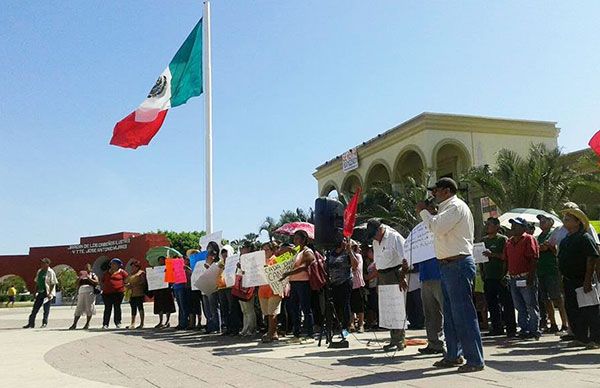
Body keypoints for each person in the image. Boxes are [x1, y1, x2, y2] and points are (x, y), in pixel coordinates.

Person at [418, 177, 484, 373]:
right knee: (451, 315)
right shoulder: (446, 209)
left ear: (447, 191)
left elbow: (437, 228)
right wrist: (430, 214)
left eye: (436, 190)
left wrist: (423, 212)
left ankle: (474, 359)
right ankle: (453, 354)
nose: (433, 194)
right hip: (448, 266)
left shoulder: (455, 207)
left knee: (463, 314)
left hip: (457, 264)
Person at [558, 207, 600, 349]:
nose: (565, 221)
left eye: (568, 219)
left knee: (590, 311)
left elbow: (592, 258)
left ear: (578, 222)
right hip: (569, 280)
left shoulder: (584, 237)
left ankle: (595, 339)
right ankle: (580, 337)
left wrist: (587, 280)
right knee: (573, 310)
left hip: (582, 280)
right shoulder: (565, 240)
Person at [365, 218, 408, 352]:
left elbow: (405, 259)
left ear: (380, 229)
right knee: (388, 310)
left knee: (397, 308)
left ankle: (400, 339)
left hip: (395, 273)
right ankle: (393, 339)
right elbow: (378, 263)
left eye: (374, 234)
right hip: (382, 276)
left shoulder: (394, 237)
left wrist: (402, 277)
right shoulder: (375, 241)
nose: (374, 238)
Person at [504, 217, 541, 340]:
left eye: (516, 225)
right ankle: (524, 329)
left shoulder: (529, 239)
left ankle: (534, 329)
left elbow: (534, 259)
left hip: (526, 276)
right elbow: (506, 259)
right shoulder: (509, 242)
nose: (513, 227)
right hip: (514, 278)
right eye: (512, 225)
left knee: (530, 304)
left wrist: (531, 276)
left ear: (523, 227)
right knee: (519, 306)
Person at [415, 201, 445, 354]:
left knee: (446, 310)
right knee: (430, 313)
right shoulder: (420, 230)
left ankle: (449, 344)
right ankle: (434, 343)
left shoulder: (440, 225)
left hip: (440, 274)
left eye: (430, 208)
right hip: (425, 275)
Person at [481, 217, 516, 337]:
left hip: (500, 276)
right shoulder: (484, 241)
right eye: (487, 224)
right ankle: (496, 328)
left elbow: (505, 257)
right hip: (488, 277)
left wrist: (492, 255)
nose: (487, 227)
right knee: (492, 304)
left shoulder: (503, 240)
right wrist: (482, 273)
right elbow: (481, 259)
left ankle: (511, 328)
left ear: (497, 226)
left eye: (490, 224)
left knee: (507, 303)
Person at [281, 230, 316, 344]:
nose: (294, 241)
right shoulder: (294, 251)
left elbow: (308, 264)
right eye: (294, 238)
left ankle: (310, 333)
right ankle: (296, 333)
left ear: (303, 239)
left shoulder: (307, 251)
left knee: (306, 308)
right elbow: (277, 254)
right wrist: (286, 249)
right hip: (294, 283)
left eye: (297, 238)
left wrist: (289, 273)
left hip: (303, 283)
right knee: (294, 309)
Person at [536, 214, 569, 333]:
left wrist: (549, 247)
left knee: (557, 298)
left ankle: (565, 323)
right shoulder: (539, 236)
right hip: (541, 271)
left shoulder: (554, 233)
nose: (541, 223)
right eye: (540, 221)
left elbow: (556, 250)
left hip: (552, 270)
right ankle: (553, 324)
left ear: (551, 222)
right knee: (545, 299)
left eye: (544, 221)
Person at [325, 235, 357, 338]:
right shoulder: (331, 253)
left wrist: (350, 251)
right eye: (341, 240)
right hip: (334, 284)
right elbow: (326, 266)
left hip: (345, 282)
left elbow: (355, 265)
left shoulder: (347, 253)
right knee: (336, 307)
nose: (343, 242)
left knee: (345, 306)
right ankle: (338, 327)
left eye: (344, 240)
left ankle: (346, 329)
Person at [23, 258, 57, 329]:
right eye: (41, 263)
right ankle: (31, 323)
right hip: (40, 292)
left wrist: (50, 293)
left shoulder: (51, 272)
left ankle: (44, 323)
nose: (41, 264)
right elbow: (37, 282)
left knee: (46, 309)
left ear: (47, 264)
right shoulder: (39, 271)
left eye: (43, 263)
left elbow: (53, 283)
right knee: (35, 309)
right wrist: (35, 292)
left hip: (47, 293)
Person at [259, 242, 283, 342]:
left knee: (272, 313)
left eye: (267, 250)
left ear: (272, 250)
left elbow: (279, 272)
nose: (265, 252)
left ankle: (272, 333)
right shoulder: (260, 261)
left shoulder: (276, 259)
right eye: (263, 250)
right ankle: (272, 332)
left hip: (274, 290)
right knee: (267, 313)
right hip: (263, 290)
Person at [217, 245, 242, 336]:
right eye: (223, 253)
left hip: (230, 287)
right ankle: (227, 328)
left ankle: (235, 328)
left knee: (232, 308)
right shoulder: (220, 264)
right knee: (224, 309)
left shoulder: (234, 262)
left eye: (226, 253)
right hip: (221, 288)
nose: (224, 255)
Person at [69, 263, 98, 330]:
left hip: (90, 293)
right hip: (81, 292)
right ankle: (74, 324)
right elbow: (76, 284)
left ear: (90, 269)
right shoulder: (81, 275)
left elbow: (96, 282)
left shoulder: (93, 275)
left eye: (87, 268)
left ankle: (87, 324)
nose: (86, 269)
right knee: (79, 308)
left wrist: (89, 278)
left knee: (89, 308)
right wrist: (79, 279)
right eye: (85, 267)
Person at [101, 258, 128, 329]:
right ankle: (105, 324)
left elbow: (127, 280)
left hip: (118, 293)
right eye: (111, 264)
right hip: (107, 293)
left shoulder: (122, 272)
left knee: (117, 307)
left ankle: (118, 322)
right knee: (107, 308)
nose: (112, 265)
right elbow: (103, 281)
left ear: (118, 265)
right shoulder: (106, 272)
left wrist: (125, 285)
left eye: (114, 264)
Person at [202, 243, 221, 334]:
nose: (209, 251)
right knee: (207, 308)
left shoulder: (218, 262)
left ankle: (216, 326)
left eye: (211, 249)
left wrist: (209, 267)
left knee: (213, 307)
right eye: (208, 248)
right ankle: (210, 325)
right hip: (204, 286)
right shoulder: (204, 261)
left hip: (213, 287)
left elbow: (217, 275)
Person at [238, 242, 257, 337]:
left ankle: (251, 328)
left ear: (249, 248)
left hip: (249, 285)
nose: (242, 249)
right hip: (241, 285)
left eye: (244, 247)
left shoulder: (253, 258)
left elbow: (252, 271)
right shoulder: (241, 258)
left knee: (249, 309)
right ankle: (245, 328)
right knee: (244, 309)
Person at [153, 256, 176, 328]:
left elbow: (173, 277)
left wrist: (168, 271)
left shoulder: (169, 268)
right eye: (159, 260)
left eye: (162, 260)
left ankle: (167, 321)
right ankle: (160, 321)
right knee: (159, 306)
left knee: (168, 306)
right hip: (159, 289)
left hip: (167, 289)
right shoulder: (156, 269)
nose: (161, 261)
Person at [349, 241, 366, 333]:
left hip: (357, 283)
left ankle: (361, 324)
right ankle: (351, 323)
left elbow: (355, 268)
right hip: (349, 284)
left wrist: (350, 252)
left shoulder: (358, 256)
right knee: (350, 305)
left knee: (359, 306)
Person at [125, 260, 146, 329]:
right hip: (131, 294)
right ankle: (132, 323)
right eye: (132, 266)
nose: (132, 268)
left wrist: (133, 285)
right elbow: (126, 281)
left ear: (138, 267)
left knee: (140, 307)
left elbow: (143, 282)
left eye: (134, 266)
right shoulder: (131, 274)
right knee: (133, 308)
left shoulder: (141, 273)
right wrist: (127, 285)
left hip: (139, 293)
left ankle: (142, 323)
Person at [173, 257, 192, 330]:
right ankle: (181, 323)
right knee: (180, 306)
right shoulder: (175, 267)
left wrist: (186, 269)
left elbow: (190, 274)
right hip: (176, 287)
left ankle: (184, 323)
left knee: (183, 306)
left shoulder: (186, 267)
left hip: (182, 287)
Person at [363, 245, 379, 329]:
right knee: (372, 305)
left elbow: (377, 273)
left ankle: (379, 322)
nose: (368, 253)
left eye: (370, 252)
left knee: (376, 304)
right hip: (371, 286)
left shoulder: (377, 262)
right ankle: (374, 321)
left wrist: (367, 277)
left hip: (376, 285)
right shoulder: (370, 262)